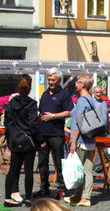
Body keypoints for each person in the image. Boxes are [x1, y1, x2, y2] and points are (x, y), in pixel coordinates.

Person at [67, 73, 107, 207]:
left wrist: (73, 142)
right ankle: (85, 196)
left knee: (79, 169)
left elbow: (78, 124)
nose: (75, 84)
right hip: (90, 139)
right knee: (87, 170)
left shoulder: (82, 101)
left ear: (82, 84)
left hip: (81, 140)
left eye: (77, 82)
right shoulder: (92, 100)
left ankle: (80, 196)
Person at [4, 75, 43, 207]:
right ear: (30, 88)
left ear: (17, 87)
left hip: (15, 139)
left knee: (13, 170)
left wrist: (8, 141)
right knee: (29, 171)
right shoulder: (32, 104)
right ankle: (28, 198)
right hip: (28, 140)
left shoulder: (11, 104)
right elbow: (33, 124)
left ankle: (7, 197)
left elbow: (7, 124)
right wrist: (40, 139)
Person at [37, 67, 74, 198]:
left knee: (59, 163)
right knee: (42, 163)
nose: (50, 82)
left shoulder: (64, 94)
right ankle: (44, 188)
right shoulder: (45, 93)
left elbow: (69, 111)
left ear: (59, 80)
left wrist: (53, 116)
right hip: (43, 133)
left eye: (53, 80)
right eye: (49, 80)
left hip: (56, 133)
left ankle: (61, 188)